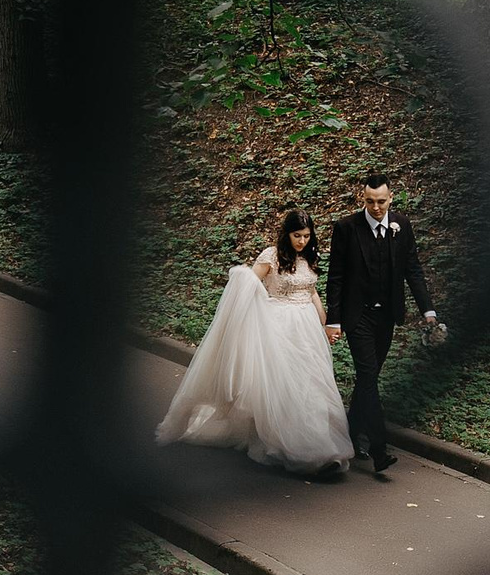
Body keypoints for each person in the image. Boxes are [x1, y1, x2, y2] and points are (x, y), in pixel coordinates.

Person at [156, 209, 352, 478]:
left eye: (307, 236)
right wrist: (245, 299)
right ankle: (296, 447)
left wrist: (325, 322)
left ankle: (321, 445)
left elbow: (311, 290)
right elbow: (250, 282)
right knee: (285, 384)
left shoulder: (309, 255)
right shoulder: (272, 255)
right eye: (297, 236)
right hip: (278, 327)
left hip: (307, 329)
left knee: (311, 384)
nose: (302, 241)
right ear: (287, 233)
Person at [321, 172, 437, 474]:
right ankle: (379, 448)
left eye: (381, 202)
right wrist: (334, 319)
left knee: (367, 379)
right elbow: (336, 276)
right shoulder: (346, 228)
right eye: (370, 202)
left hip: (387, 315)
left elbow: (413, 269)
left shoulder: (402, 226)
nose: (376, 207)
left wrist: (428, 311)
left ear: (391, 198)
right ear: (363, 199)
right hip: (357, 315)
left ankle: (350, 432)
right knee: (369, 373)